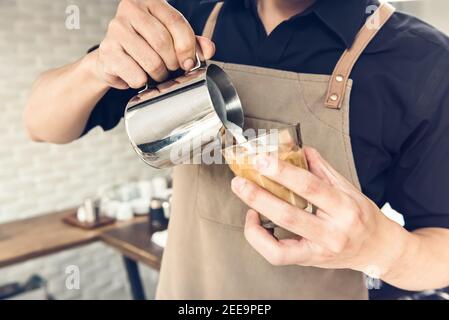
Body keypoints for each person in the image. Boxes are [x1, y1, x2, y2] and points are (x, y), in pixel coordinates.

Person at [25, 0, 449, 299]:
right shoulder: (184, 18)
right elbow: (41, 124)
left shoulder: (421, 61)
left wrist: (385, 249)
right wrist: (96, 67)